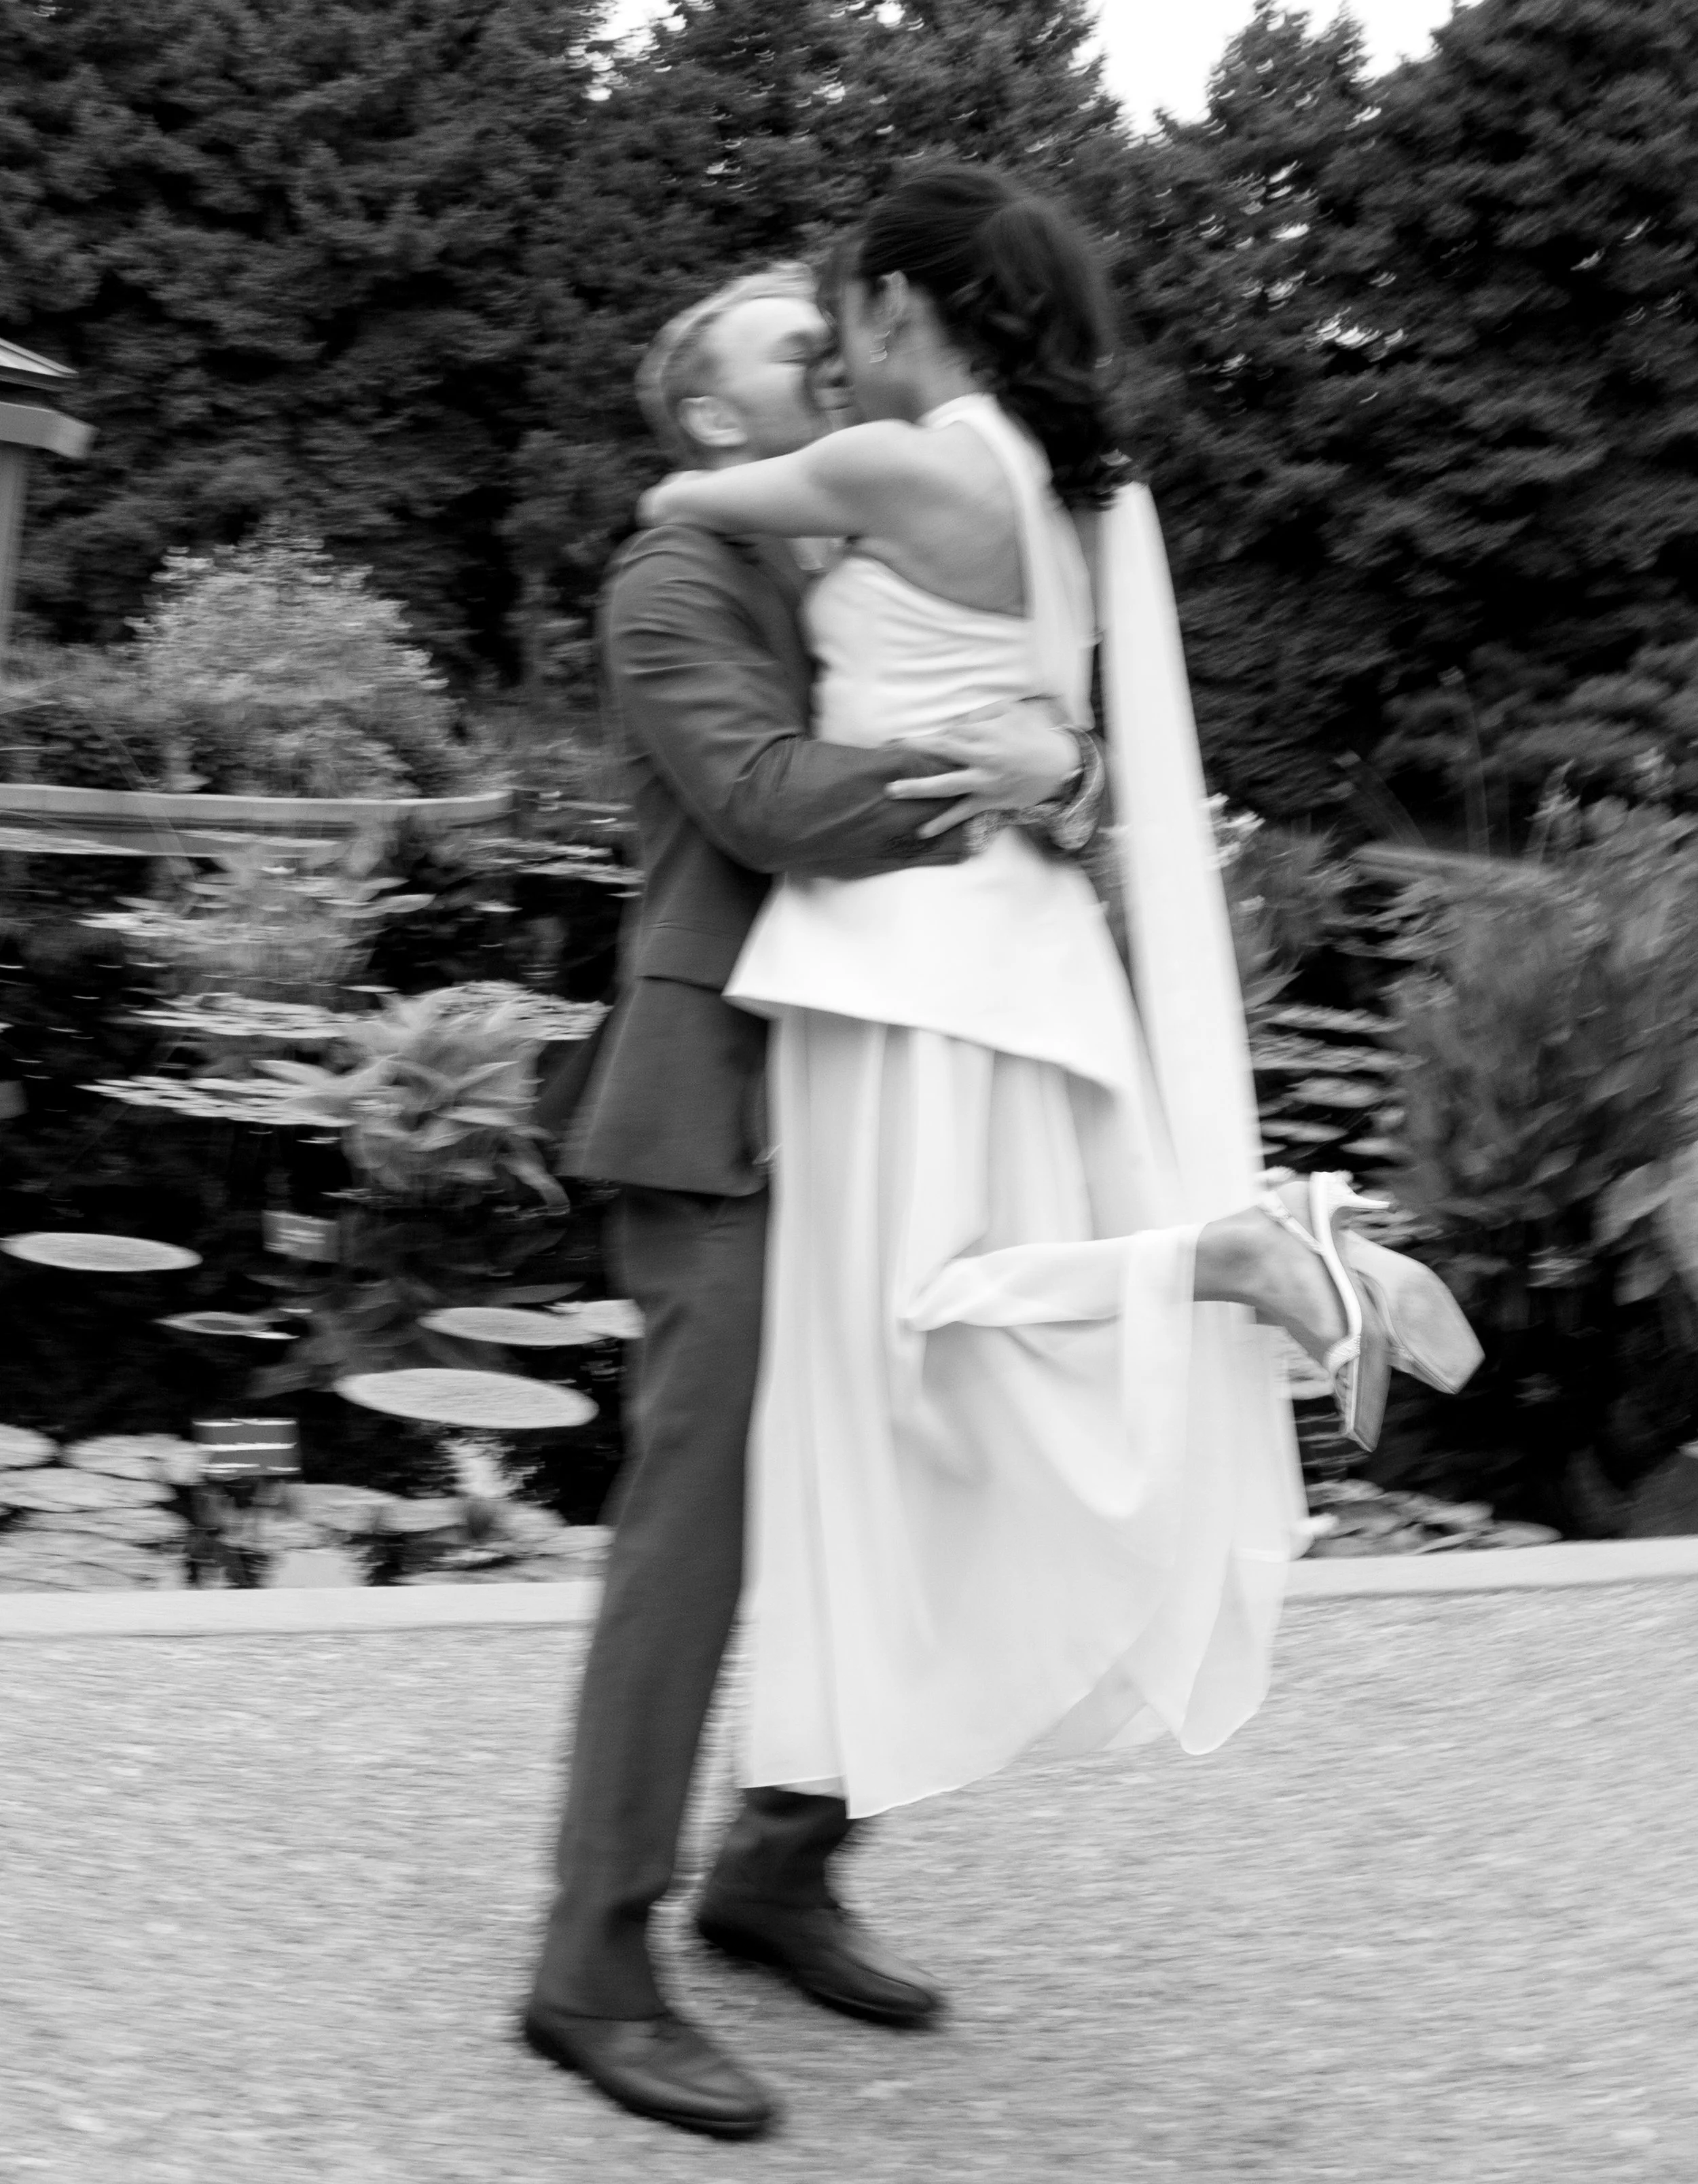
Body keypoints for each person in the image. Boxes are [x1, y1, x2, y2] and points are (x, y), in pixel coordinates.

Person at [642, 170, 1481, 1883]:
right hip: (1032, 959)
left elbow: (676, 492)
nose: (830, 351)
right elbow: (1057, 737)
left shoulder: (893, 465)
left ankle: (1239, 1262)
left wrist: (743, 458)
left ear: (894, 305)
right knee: (931, 1346)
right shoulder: (1070, 488)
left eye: (837, 318)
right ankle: (795, 1839)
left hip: (897, 964)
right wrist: (1070, 769)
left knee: (904, 1330)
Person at [521, 262, 1106, 2143]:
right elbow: (768, 800)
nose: (840, 359)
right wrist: (1002, 778)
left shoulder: (870, 554)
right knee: (692, 1549)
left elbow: (1055, 715)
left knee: (933, 1458)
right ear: (708, 417)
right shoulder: (674, 577)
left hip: (906, 1090)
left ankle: (777, 1858)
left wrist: (1070, 765)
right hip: (726, 1120)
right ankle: (589, 1957)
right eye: (794, 347)